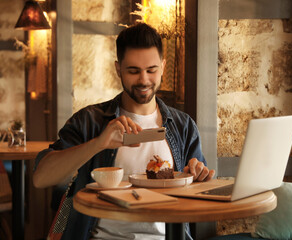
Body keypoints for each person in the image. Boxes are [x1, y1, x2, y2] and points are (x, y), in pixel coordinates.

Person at [33, 23, 215, 240]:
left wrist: (199, 174)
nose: (144, 80)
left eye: (151, 70)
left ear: (163, 67)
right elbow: (41, 178)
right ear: (118, 69)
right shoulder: (89, 120)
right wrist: (99, 143)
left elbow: (200, 194)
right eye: (133, 71)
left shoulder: (183, 125)